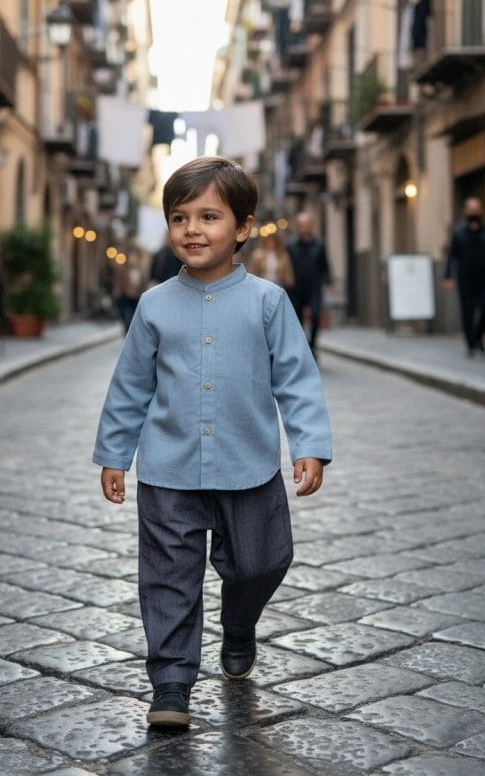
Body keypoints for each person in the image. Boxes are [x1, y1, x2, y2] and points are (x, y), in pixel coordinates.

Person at [92, 156, 332, 729]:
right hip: (168, 470)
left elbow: (296, 379)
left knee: (263, 561)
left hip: (248, 466)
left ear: (243, 227)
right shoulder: (152, 306)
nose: (192, 230)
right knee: (168, 576)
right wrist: (113, 453)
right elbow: (131, 386)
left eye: (208, 216)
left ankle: (240, 622)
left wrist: (309, 444)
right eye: (179, 218)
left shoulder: (270, 303)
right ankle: (171, 684)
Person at [443, 197, 485, 356]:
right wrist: (448, 276)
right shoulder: (459, 232)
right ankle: (471, 344)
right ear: (465, 212)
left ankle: (478, 336)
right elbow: (452, 256)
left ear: (481, 211)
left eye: (476, 209)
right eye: (471, 210)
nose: (474, 212)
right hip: (466, 279)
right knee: (468, 311)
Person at [286, 211, 332, 359]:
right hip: (295, 288)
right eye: (300, 225)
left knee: (316, 315)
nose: (303, 228)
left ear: (311, 226)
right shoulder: (291, 245)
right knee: (297, 320)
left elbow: (325, 265)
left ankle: (312, 346)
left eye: (306, 225)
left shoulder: (319, 244)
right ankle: (305, 346)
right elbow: (286, 266)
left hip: (314, 286)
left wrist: (328, 282)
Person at [113, 247, 148, 334]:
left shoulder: (142, 271)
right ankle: (127, 340)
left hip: (137, 300)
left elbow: (144, 285)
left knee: (136, 322)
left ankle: (133, 340)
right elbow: (117, 283)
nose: (133, 259)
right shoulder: (122, 269)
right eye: (131, 256)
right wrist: (117, 293)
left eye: (135, 256)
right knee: (127, 321)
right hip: (125, 299)